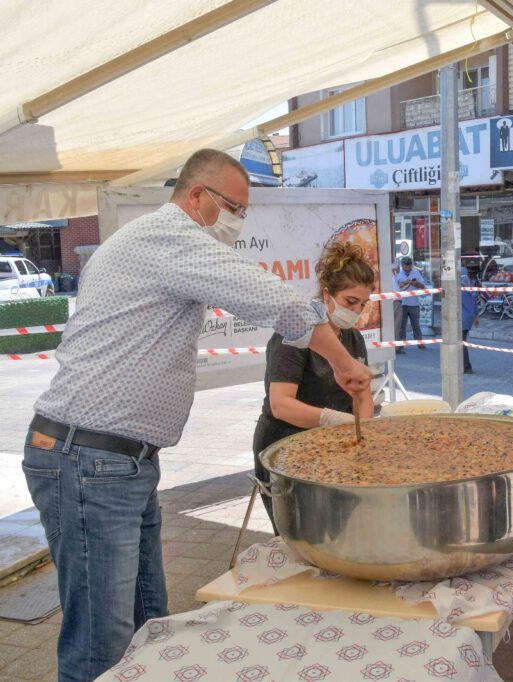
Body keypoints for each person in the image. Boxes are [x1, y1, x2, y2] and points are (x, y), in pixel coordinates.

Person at [22, 148, 371, 682]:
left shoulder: (147, 242)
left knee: (149, 626)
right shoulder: (170, 236)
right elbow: (277, 302)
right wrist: (344, 363)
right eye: (235, 208)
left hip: (121, 460)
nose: (238, 221)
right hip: (89, 458)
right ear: (197, 196)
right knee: (101, 645)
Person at [253, 241, 376, 532]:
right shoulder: (294, 336)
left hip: (335, 448)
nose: (356, 311)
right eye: (350, 302)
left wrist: (364, 431)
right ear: (327, 295)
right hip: (286, 445)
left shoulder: (352, 339)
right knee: (301, 536)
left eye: (362, 304)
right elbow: (281, 404)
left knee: (340, 532)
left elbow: (362, 396)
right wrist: (331, 419)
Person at [395, 256, 430, 352]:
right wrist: (404, 283)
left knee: (416, 325)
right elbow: (396, 287)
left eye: (409, 266)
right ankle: (401, 345)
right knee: (402, 326)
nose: (407, 268)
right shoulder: (398, 274)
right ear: (402, 265)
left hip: (414, 303)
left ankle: (419, 343)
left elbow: (422, 286)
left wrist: (415, 283)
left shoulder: (416, 272)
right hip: (402, 303)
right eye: (405, 266)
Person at [461, 266, 479, 373]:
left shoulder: (460, 288)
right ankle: (465, 366)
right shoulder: (472, 284)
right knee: (462, 341)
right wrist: (476, 315)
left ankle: (466, 366)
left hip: (461, 317)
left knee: (461, 342)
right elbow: (474, 301)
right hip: (469, 316)